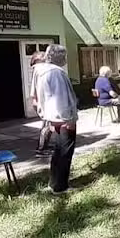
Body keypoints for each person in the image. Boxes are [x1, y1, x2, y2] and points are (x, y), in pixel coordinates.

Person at [35, 45, 78, 194]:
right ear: (58, 57)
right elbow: (61, 98)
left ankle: (54, 182)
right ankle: (60, 186)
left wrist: (46, 116)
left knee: (58, 151)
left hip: (53, 117)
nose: (65, 59)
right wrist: (69, 119)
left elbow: (40, 98)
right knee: (65, 152)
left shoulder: (42, 71)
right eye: (64, 56)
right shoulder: (57, 73)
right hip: (63, 119)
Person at [29, 51, 52, 157]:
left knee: (47, 125)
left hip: (43, 101)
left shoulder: (38, 70)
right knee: (47, 126)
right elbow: (36, 88)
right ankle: (41, 149)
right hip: (44, 102)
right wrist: (35, 100)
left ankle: (44, 146)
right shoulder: (39, 69)